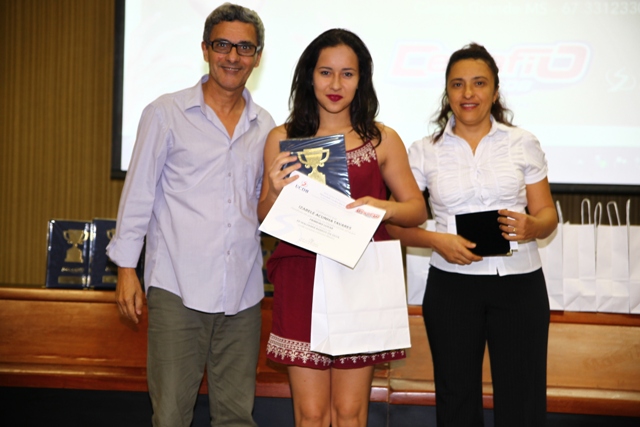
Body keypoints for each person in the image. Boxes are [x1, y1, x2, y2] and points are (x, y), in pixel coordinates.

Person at [106, 4, 274, 426]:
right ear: (205, 49)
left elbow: (261, 205)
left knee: (237, 416)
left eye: (244, 47)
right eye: (222, 45)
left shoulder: (266, 125)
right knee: (171, 416)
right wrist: (126, 269)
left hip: (243, 292)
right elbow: (138, 194)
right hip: (177, 287)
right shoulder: (166, 113)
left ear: (257, 56)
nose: (232, 56)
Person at [257, 29, 426, 427]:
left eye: (347, 74)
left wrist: (382, 207)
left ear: (361, 79)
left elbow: (416, 209)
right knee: (311, 415)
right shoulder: (283, 138)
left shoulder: (382, 139)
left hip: (359, 278)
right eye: (325, 72)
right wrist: (274, 190)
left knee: (350, 413)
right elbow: (264, 217)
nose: (335, 84)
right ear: (309, 76)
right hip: (302, 276)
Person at [388, 43, 558, 427]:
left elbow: (548, 214)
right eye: (457, 84)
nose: (468, 93)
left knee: (523, 397)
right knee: (456, 398)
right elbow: (396, 224)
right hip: (452, 285)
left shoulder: (523, 142)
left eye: (479, 83)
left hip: (519, 283)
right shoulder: (423, 151)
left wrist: (532, 226)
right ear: (447, 93)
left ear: (495, 91)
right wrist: (437, 241)